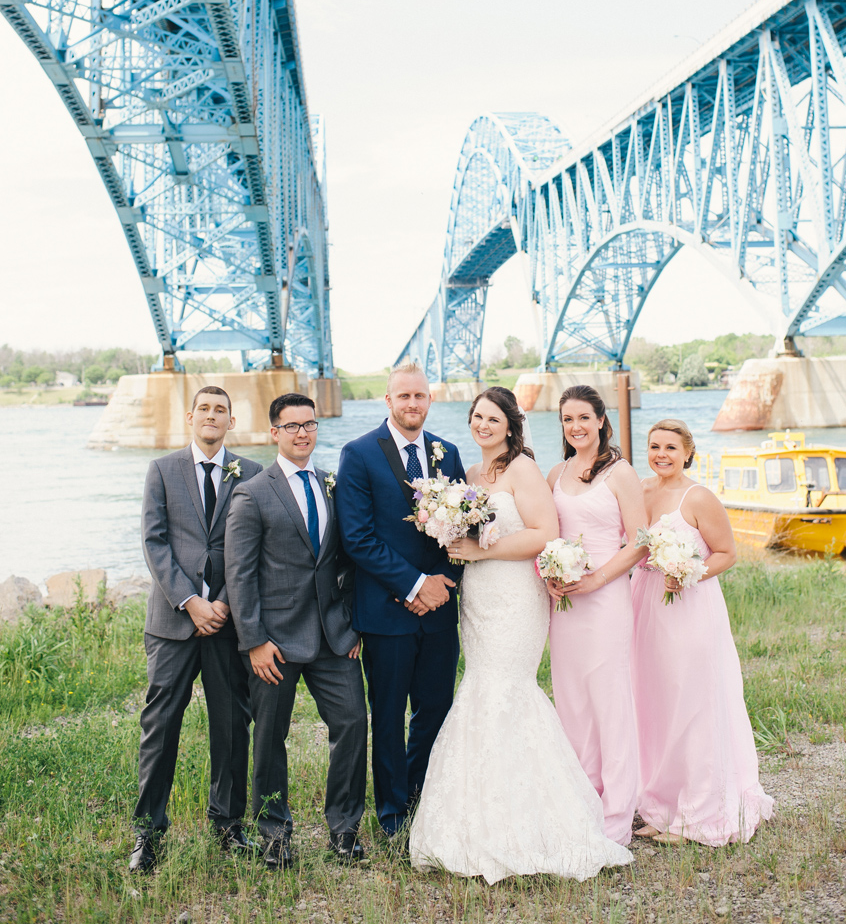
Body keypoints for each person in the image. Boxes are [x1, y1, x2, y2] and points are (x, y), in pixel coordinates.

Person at [409, 386, 633, 882]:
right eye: (476, 417)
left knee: (506, 689)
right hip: (480, 599)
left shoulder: (523, 469)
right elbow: (467, 536)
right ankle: (476, 819)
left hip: (515, 596)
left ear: (511, 425)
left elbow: (543, 533)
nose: (482, 425)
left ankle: (539, 820)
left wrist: (483, 551)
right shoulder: (468, 476)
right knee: (479, 688)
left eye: (492, 418)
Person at [224, 393, 368, 868]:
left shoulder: (332, 484)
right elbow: (239, 575)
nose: (302, 433)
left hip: (333, 638)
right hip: (275, 642)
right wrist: (254, 641)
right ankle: (274, 835)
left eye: (309, 425)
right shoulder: (252, 492)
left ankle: (345, 831)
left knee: (351, 725)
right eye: (292, 426)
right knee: (269, 737)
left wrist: (352, 623)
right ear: (275, 433)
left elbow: (347, 559)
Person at [130, 385, 262, 873]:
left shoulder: (251, 473)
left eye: (220, 410)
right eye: (204, 409)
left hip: (228, 624)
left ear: (232, 421)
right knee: (161, 726)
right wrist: (190, 601)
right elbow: (154, 540)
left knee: (231, 726)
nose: (211, 416)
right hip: (172, 622)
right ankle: (149, 833)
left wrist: (223, 602)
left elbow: (252, 547)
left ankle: (228, 826)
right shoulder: (162, 470)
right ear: (190, 417)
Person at [334, 362, 466, 838]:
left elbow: (463, 526)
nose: (413, 404)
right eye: (404, 396)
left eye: (421, 396)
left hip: (438, 612)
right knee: (388, 716)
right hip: (387, 612)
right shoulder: (359, 453)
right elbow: (358, 537)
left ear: (429, 401)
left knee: (434, 709)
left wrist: (442, 582)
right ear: (387, 401)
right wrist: (413, 585)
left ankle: (422, 798)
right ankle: (392, 814)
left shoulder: (446, 453)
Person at [631, 418, 774, 845]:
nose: (661, 454)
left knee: (692, 704)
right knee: (653, 706)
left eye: (671, 448)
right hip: (646, 608)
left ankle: (697, 814)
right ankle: (659, 806)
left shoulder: (699, 497)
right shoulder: (640, 490)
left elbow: (727, 553)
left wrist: (691, 572)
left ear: (688, 452)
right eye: (655, 446)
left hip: (690, 609)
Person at [546, 384, 647, 845]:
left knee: (609, 699)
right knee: (572, 700)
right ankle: (582, 795)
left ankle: (618, 809)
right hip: (564, 603)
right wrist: (548, 573)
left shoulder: (621, 473)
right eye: (568, 419)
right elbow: (548, 535)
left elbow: (640, 542)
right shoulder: (555, 474)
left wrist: (596, 580)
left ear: (602, 421)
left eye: (584, 417)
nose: (576, 427)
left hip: (604, 599)